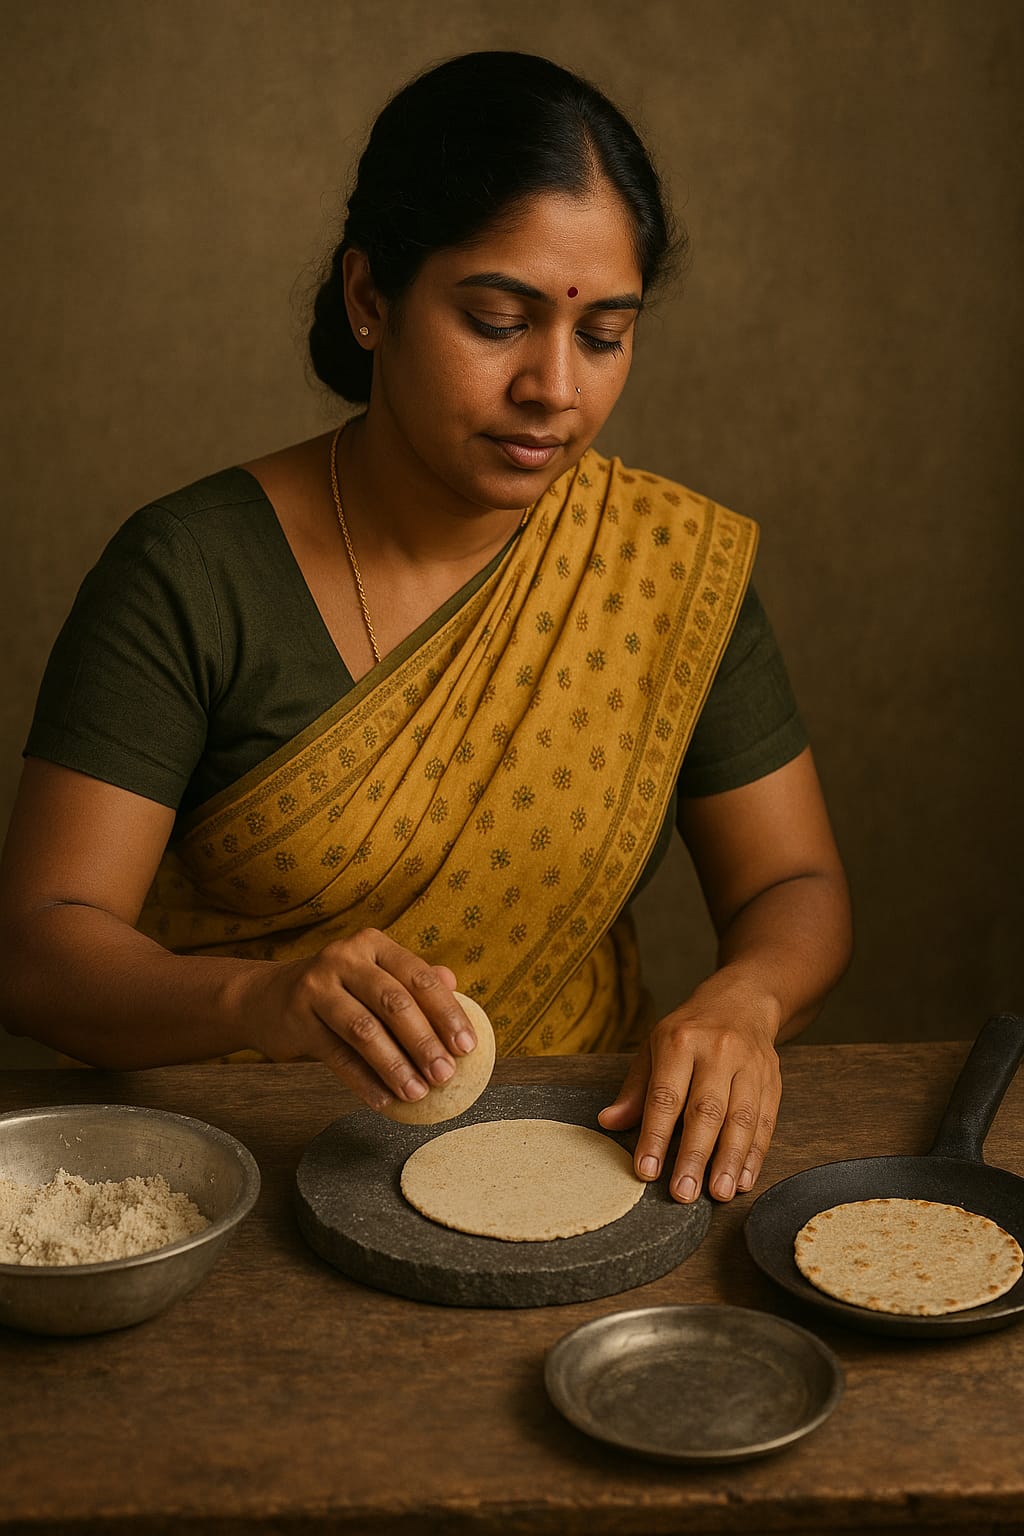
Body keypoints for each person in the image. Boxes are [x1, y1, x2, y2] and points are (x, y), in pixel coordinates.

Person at [0, 51, 851, 1206]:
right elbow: (41, 943)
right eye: (497, 321)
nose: (555, 386)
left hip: (588, 1156)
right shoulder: (191, 572)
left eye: (603, 334)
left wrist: (744, 1001)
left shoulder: (665, 568)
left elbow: (792, 881)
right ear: (369, 299)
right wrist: (261, 998)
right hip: (234, 1172)